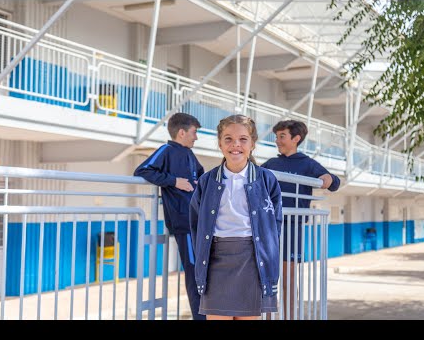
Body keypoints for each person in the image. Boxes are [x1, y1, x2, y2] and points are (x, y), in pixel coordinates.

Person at [189, 114, 283, 320]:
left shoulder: (266, 179)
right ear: (220, 144)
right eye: (228, 139)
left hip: (253, 261)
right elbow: (196, 223)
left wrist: (268, 255)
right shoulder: (207, 181)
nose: (235, 145)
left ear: (253, 144)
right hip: (215, 262)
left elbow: (275, 223)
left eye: (243, 139)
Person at [261, 119, 340, 320]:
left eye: (282, 136)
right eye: (276, 136)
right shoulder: (271, 164)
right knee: (268, 280)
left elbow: (333, 181)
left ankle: (288, 317)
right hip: (269, 227)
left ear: (296, 139)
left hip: (293, 228)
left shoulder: (307, 164)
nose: (277, 141)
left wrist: (326, 179)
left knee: (288, 279)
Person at [134, 112, 205, 320]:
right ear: (181, 132)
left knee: (203, 271)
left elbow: (201, 176)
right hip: (184, 223)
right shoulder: (166, 150)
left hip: (199, 221)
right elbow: (143, 170)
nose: (196, 137)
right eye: (194, 133)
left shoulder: (190, 154)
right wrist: (174, 181)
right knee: (194, 273)